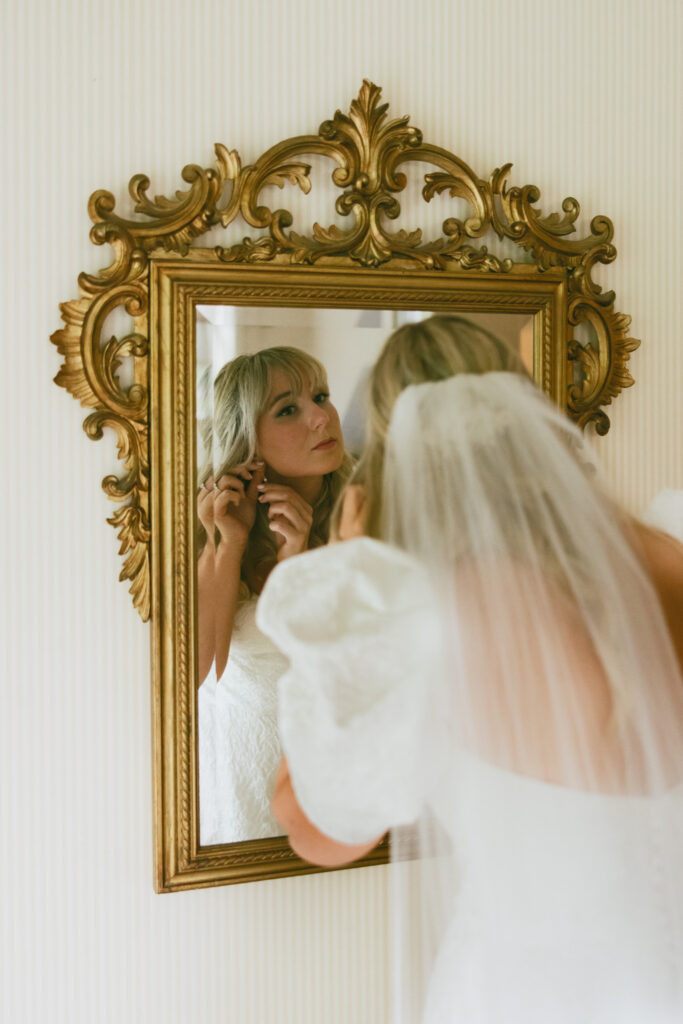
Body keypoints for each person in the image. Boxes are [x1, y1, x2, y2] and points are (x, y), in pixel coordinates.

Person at [256, 316, 683, 1022]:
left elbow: (321, 830)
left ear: (391, 451)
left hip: (529, 995)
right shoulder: (668, 551)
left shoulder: (419, 609)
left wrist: (354, 587)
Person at [196, 346, 352, 844]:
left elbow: (333, 670)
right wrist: (231, 544)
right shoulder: (214, 527)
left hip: (338, 777)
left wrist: (296, 555)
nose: (321, 417)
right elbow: (198, 668)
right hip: (244, 786)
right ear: (248, 443)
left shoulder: (366, 516)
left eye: (321, 397)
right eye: (289, 409)